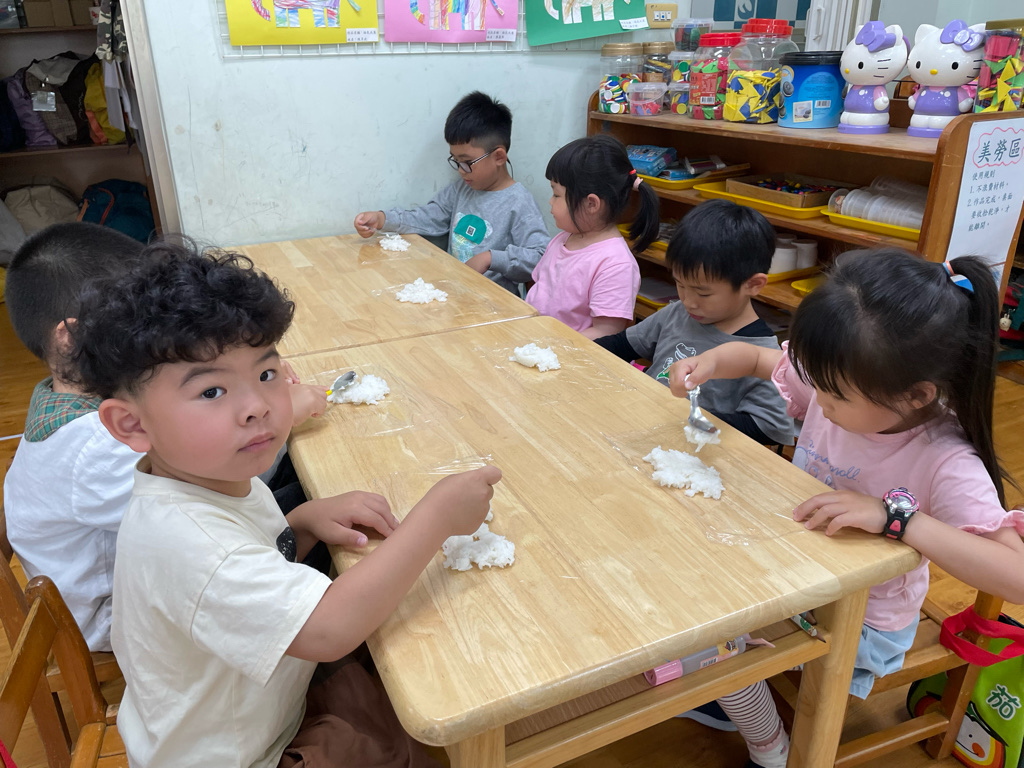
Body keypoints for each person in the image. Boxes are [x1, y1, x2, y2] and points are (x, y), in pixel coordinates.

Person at [71, 242, 501, 767]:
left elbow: (247, 560)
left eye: (266, 374)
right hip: (243, 756)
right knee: (432, 716)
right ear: (132, 424)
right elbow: (329, 628)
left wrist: (301, 523)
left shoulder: (210, 476)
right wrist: (437, 517)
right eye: (211, 392)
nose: (256, 406)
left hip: (258, 709)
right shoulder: (191, 542)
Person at [669, 249, 1024, 768]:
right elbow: (759, 359)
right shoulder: (841, 379)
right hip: (800, 571)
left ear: (916, 396)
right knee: (685, 581)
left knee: (708, 634)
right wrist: (713, 363)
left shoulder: (945, 460)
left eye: (833, 395)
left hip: (862, 620)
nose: (817, 401)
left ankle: (769, 746)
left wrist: (897, 518)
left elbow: (1016, 575)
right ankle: (731, 692)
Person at [2, 223, 328, 654]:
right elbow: (220, 482)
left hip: (143, 566)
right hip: (116, 615)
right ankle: (334, 670)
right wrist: (286, 411)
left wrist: (241, 375)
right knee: (312, 503)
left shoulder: (63, 401)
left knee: (306, 497)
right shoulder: (96, 447)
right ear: (70, 337)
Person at [594, 200, 792, 445]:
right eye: (680, 284)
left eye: (703, 293)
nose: (688, 301)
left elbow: (768, 429)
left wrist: (684, 421)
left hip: (695, 453)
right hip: (643, 431)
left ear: (753, 285)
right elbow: (621, 345)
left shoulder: (765, 354)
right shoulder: (677, 313)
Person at [353, 91, 549, 295]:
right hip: (454, 293)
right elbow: (429, 217)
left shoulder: (519, 202)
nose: (461, 170)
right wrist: (383, 219)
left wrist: (491, 258)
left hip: (494, 302)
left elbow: (541, 257)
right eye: (456, 161)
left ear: (499, 156)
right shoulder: (462, 189)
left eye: (467, 162)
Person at [525, 134, 659, 340]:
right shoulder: (563, 239)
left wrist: (552, 347)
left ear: (591, 204)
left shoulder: (615, 264)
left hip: (568, 353)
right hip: (535, 340)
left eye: (557, 195)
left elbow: (606, 332)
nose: (550, 202)